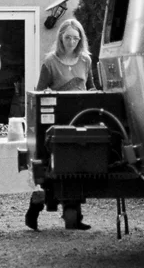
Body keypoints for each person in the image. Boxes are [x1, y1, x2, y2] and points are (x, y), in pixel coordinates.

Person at [25, 18, 95, 231]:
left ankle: (73, 214)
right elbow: (39, 91)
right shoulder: (50, 62)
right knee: (52, 168)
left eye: (76, 38)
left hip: (80, 117)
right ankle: (35, 208)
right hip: (56, 120)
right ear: (61, 38)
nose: (72, 42)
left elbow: (90, 86)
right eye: (68, 38)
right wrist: (47, 93)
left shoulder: (86, 60)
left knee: (78, 164)